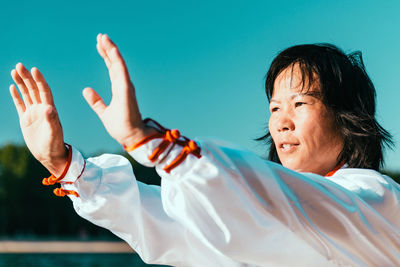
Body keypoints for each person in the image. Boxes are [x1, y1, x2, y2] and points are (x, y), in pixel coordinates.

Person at [9, 34, 400, 266]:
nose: (282, 121)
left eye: (301, 103)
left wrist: (152, 142)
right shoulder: (266, 213)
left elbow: (296, 207)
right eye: (275, 108)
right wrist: (63, 164)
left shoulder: (378, 202)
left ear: (349, 117)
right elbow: (172, 223)